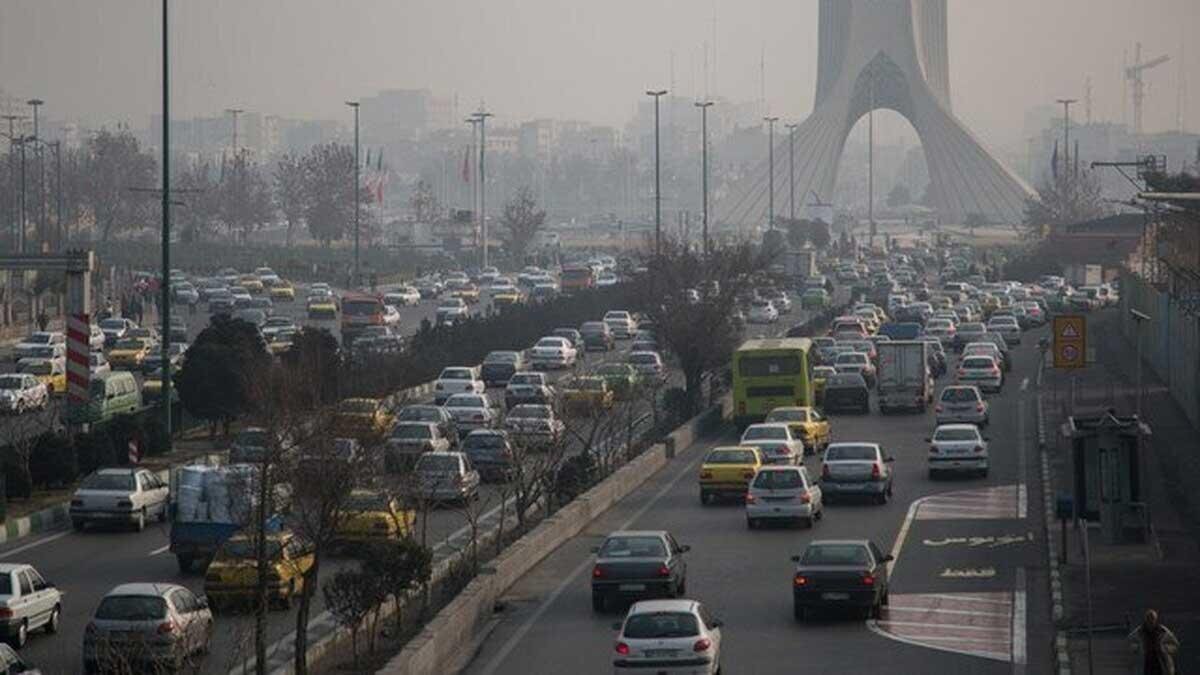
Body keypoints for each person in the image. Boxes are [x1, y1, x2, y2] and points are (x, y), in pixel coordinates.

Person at [1129, 609, 1180, 675]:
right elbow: (1129, 642)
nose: (1151, 621)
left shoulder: (1162, 631)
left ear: (1155, 619)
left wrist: (1165, 649)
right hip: (1145, 661)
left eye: (1152, 619)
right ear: (1146, 619)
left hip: (1160, 660)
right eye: (1149, 619)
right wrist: (1136, 648)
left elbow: (1175, 644)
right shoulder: (1140, 631)